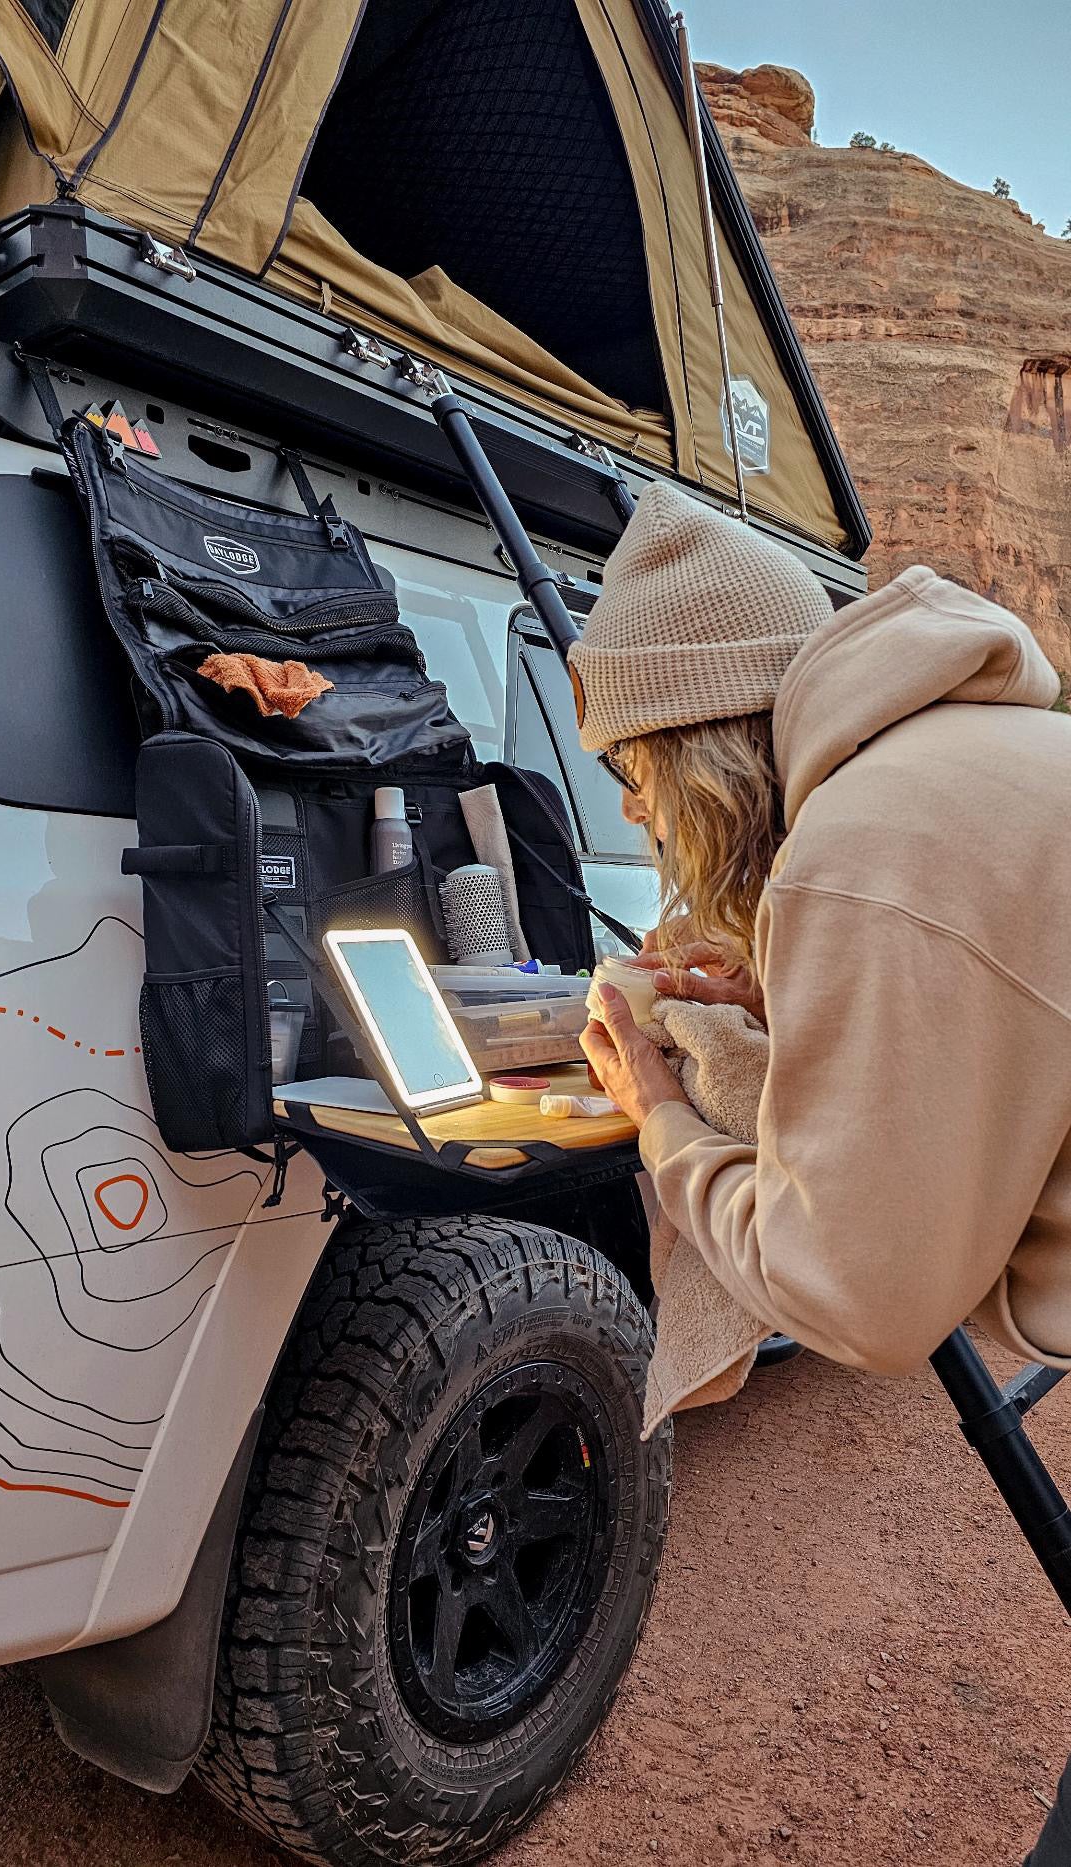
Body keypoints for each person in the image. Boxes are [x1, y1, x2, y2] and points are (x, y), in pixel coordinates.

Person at [568, 479, 1071, 1865]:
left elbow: (857, 1294)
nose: (633, 821)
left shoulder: (863, 851)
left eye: (631, 774)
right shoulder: (967, 760)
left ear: (697, 746)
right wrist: (777, 986)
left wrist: (659, 1106)